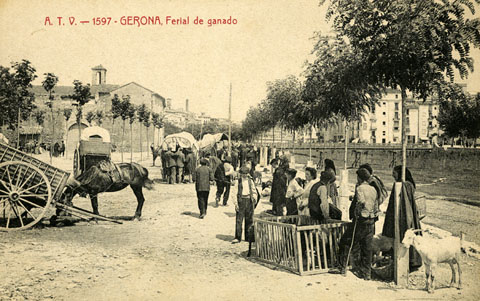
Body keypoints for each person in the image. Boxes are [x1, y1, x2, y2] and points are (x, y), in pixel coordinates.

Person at [337, 168, 378, 280]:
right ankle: (366, 273)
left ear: (359, 178)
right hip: (371, 220)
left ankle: (342, 268)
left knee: (346, 242)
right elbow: (375, 206)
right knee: (367, 247)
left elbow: (360, 202)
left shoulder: (359, 188)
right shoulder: (373, 189)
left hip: (361, 221)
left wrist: (356, 213)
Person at [382, 165, 422, 271]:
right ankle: (411, 260)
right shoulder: (409, 184)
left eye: (394, 173)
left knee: (404, 236)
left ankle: (407, 261)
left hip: (404, 214)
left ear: (399, 173)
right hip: (409, 214)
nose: (392, 175)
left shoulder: (404, 185)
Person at [232, 166, 259, 244]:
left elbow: (254, 191)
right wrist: (236, 203)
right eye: (243, 174)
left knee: (249, 220)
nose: (244, 175)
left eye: (246, 173)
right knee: (239, 220)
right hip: (241, 201)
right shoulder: (238, 181)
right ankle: (238, 237)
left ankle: (248, 237)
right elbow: (234, 193)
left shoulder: (250, 181)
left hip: (249, 201)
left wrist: (254, 198)